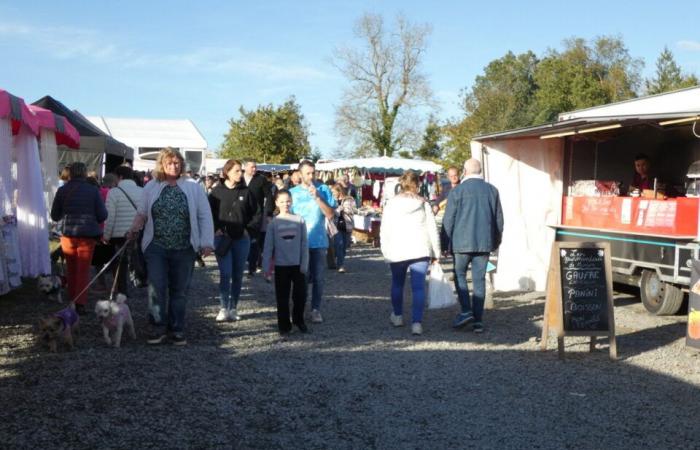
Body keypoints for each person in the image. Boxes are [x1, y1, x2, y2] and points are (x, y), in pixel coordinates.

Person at [128, 148, 214, 346]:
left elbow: (204, 215)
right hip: (156, 246)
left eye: (177, 163)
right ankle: (157, 326)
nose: (174, 166)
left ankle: (177, 328)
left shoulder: (193, 186)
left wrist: (206, 242)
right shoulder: (151, 187)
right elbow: (142, 213)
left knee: (179, 290)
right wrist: (133, 228)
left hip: (184, 247)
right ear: (162, 165)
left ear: (182, 165)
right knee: (156, 287)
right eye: (169, 163)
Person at [443, 158, 504, 334]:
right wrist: (496, 241)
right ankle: (478, 321)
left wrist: (444, 244)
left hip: (460, 242)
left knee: (459, 275)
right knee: (479, 280)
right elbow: (499, 220)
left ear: (465, 171)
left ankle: (466, 310)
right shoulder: (492, 191)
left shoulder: (457, 191)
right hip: (484, 243)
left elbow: (449, 220)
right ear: (480, 170)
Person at [380, 170, 440, 336]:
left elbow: (385, 229)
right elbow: (432, 229)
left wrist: (385, 250)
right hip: (420, 249)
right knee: (418, 287)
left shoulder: (391, 204)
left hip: (397, 250)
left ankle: (398, 316)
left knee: (397, 284)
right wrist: (436, 252)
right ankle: (417, 323)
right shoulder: (423, 203)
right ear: (417, 185)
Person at [50, 162, 108, 315]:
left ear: (70, 173)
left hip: (67, 234)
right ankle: (80, 303)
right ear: (84, 173)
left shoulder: (62, 190)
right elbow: (103, 215)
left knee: (71, 268)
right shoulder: (93, 191)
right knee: (83, 269)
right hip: (87, 236)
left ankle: (71, 299)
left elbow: (54, 215)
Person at [208, 159, 257, 322]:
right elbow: (209, 213)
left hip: (241, 239)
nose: (240, 173)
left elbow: (256, 213)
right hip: (222, 238)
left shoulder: (246, 192)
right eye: (236, 170)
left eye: (241, 171)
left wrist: (248, 229)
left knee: (237, 274)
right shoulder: (216, 192)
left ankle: (233, 307)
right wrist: (215, 228)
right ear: (227, 172)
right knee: (225, 273)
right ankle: (223, 307)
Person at [290, 160, 337, 323]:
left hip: (318, 241)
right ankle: (299, 308)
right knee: (300, 278)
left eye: (313, 173)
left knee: (318, 278)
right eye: (308, 173)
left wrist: (317, 197)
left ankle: (315, 309)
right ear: (300, 174)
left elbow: (331, 214)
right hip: (298, 242)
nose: (311, 176)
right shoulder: (292, 193)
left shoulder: (323, 189)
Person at [262, 189, 309, 335]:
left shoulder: (299, 220)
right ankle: (284, 325)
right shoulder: (273, 224)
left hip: (297, 264)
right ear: (276, 203)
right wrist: (266, 268)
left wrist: (304, 263)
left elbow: (304, 244)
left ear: (292, 201)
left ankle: (298, 320)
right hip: (281, 265)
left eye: (288, 201)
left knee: (300, 295)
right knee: (282, 297)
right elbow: (268, 246)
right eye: (282, 201)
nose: (285, 204)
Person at [103, 165, 143, 298]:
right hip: (138, 232)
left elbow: (110, 217)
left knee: (120, 264)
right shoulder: (142, 191)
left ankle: (122, 291)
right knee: (136, 259)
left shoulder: (114, 192)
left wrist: (106, 236)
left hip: (118, 234)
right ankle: (140, 281)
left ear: (120, 177)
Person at [243, 160, 272, 276]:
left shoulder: (261, 180)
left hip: (256, 214)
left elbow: (269, 196)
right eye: (252, 167)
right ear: (245, 167)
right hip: (240, 215)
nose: (254, 169)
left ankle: (252, 267)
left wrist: (269, 213)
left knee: (254, 242)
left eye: (255, 167)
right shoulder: (239, 178)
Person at [433, 166, 460, 256]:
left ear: (459, 175)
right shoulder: (446, 187)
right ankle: (446, 249)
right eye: (451, 176)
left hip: (460, 217)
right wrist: (436, 206)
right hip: (448, 216)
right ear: (448, 177)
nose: (453, 178)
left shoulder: (463, 186)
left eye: (455, 175)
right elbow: (439, 199)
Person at [331, 184, 356, 273]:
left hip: (347, 225)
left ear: (339, 191)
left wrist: (342, 209)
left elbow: (353, 210)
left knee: (344, 246)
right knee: (339, 244)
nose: (333, 194)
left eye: (334, 192)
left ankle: (338, 261)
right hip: (336, 225)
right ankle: (340, 265)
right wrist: (336, 210)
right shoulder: (332, 200)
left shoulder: (349, 199)